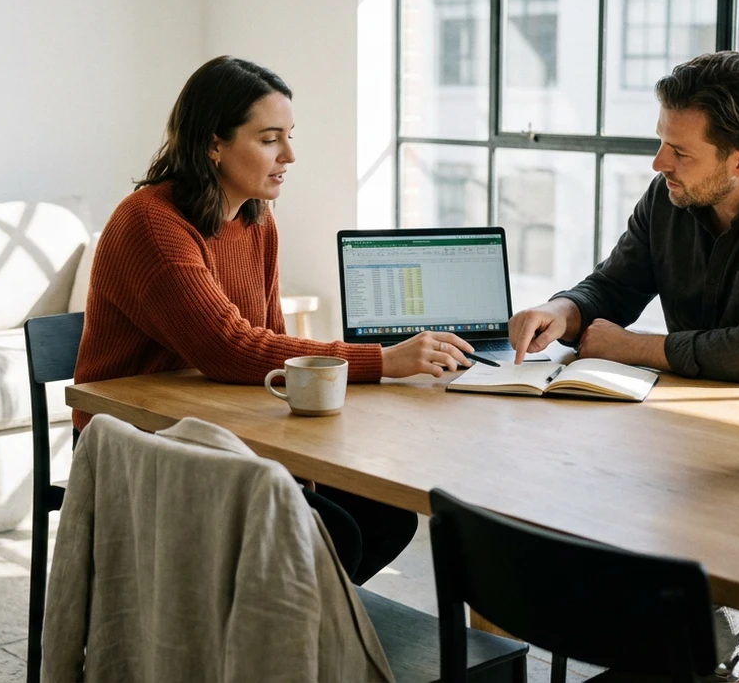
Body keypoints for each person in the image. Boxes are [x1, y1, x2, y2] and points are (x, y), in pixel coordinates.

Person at [508, 51, 739, 681]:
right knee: (560, 539)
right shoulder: (669, 195)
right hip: (682, 442)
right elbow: (613, 287)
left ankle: (704, 659)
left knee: (680, 626)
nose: (658, 163)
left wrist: (634, 347)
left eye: (679, 151)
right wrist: (561, 311)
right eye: (661, 142)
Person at [73, 55, 475, 585]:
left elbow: (271, 339)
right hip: (136, 443)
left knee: (386, 517)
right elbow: (231, 348)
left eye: (289, 135)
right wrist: (383, 360)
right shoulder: (151, 222)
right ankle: (259, 626)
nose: (289, 154)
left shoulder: (256, 218)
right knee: (333, 531)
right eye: (269, 139)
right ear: (213, 145)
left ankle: (278, 624)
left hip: (216, 427)